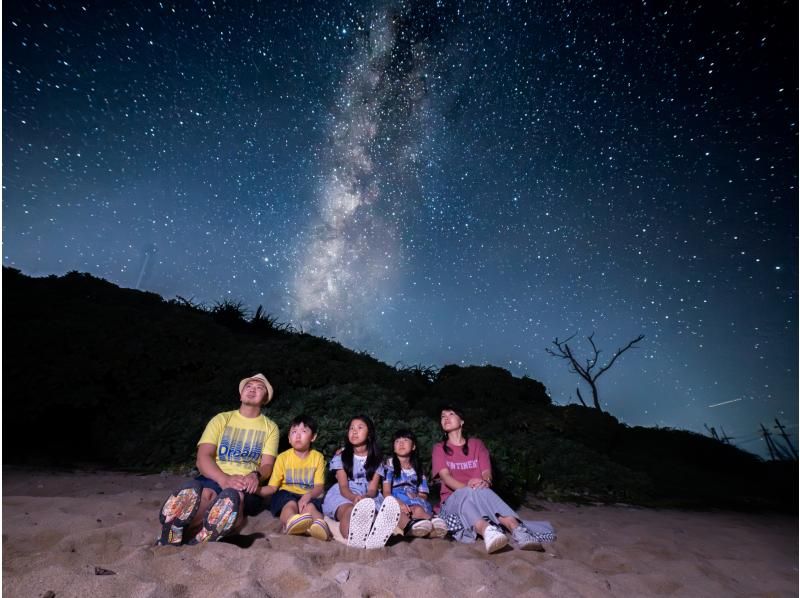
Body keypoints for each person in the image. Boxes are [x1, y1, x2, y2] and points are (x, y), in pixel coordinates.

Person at [156, 374, 279, 545]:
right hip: (216, 475)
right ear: (240, 394)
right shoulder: (221, 419)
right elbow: (202, 457)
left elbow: (267, 465)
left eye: (259, 388)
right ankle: (177, 527)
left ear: (265, 398)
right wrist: (224, 479)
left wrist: (255, 475)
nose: (252, 389)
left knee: (235, 498)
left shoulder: (270, 427)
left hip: (245, 483)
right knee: (205, 494)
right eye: (248, 386)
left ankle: (197, 533)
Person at [431, 406, 545, 553]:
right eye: (442, 416)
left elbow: (486, 472)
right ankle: (487, 531)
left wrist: (486, 481)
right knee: (465, 496)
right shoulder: (439, 448)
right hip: (452, 501)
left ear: (462, 421)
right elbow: (445, 477)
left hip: (480, 495)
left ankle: (518, 530)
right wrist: (467, 487)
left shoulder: (476, 445)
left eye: (451, 414)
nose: (446, 418)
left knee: (482, 490)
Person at [321, 415, 401, 549]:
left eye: (359, 427)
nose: (354, 431)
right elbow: (343, 487)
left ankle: (375, 534)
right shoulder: (342, 456)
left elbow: (373, 489)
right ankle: (353, 537)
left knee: (371, 512)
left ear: (369, 433)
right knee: (349, 510)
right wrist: (354, 498)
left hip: (367, 495)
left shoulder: (377, 459)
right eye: (351, 428)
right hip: (345, 494)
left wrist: (365, 498)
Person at [257, 414, 330, 541]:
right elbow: (272, 487)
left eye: (303, 431)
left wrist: (308, 496)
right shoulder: (283, 457)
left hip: (308, 494)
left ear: (313, 437)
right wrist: (256, 490)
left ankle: (319, 525)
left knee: (311, 507)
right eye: (294, 432)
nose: (297, 435)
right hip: (286, 493)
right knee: (289, 504)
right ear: (289, 439)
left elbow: (319, 487)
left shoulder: (317, 457)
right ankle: (291, 522)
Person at [383, 428, 448, 539]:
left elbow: (423, 494)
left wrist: (415, 499)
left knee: (418, 509)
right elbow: (386, 492)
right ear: (393, 447)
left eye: (405, 440)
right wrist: (399, 503)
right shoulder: (389, 466)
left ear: (413, 447)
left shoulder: (417, 469)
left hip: (414, 501)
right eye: (397, 441)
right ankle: (410, 528)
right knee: (396, 510)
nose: (401, 443)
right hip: (395, 500)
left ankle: (435, 526)